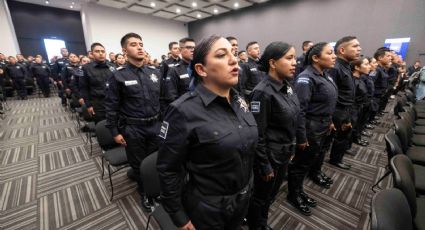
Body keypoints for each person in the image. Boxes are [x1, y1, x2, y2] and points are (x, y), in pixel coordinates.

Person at [157, 35, 257, 230]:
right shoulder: (183, 111)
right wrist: (179, 216)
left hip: (242, 198)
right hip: (208, 207)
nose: (233, 59)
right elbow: (168, 169)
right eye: (221, 55)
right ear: (201, 69)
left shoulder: (239, 101)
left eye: (233, 53)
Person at [105, 33, 160, 211]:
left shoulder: (154, 72)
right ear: (124, 50)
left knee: (155, 161)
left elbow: (163, 100)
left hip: (155, 125)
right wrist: (114, 131)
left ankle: (157, 189)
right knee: (138, 164)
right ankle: (145, 193)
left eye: (141, 44)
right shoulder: (118, 76)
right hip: (133, 128)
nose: (139, 47)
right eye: (134, 44)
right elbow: (111, 105)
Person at [247, 42, 299, 230]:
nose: (294, 63)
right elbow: (257, 133)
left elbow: (293, 119)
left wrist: (292, 147)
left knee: (270, 195)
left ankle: (262, 222)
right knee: (260, 197)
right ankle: (256, 225)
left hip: (283, 152)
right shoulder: (262, 92)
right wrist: (264, 165)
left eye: (294, 58)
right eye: (289, 58)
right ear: (273, 63)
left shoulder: (287, 86)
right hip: (269, 156)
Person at [288, 42, 337, 215]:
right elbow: (300, 110)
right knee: (300, 164)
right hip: (311, 127)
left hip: (322, 125)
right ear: (316, 58)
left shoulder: (325, 75)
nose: (334, 56)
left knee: (309, 161)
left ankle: (299, 190)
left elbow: (328, 102)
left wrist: (330, 120)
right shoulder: (306, 78)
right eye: (330, 53)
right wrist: (301, 137)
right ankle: (293, 194)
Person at [328, 36, 362, 169]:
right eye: (355, 46)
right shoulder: (335, 67)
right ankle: (332, 161)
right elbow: (331, 94)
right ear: (342, 50)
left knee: (342, 136)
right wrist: (331, 118)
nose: (359, 49)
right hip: (336, 110)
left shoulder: (346, 66)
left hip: (345, 109)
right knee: (326, 143)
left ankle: (336, 159)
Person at [80, 42, 116, 124]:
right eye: (97, 51)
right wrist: (88, 105)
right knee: (102, 125)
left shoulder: (112, 67)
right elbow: (83, 88)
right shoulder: (85, 68)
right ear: (92, 54)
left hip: (113, 102)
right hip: (98, 103)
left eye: (103, 51)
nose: (101, 53)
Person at [164, 38, 196, 105]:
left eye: (194, 47)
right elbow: (172, 96)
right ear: (180, 50)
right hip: (186, 108)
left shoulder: (200, 67)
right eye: (189, 47)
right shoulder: (174, 70)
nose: (193, 50)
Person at [350, 57, 371, 147]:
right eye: (366, 64)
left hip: (359, 108)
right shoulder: (353, 81)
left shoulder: (360, 79)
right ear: (357, 67)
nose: (369, 66)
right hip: (353, 110)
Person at [371, 47, 392, 116]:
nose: (390, 58)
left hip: (379, 97)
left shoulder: (383, 69)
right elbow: (371, 83)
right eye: (388, 56)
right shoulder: (376, 69)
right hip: (374, 97)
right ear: (380, 58)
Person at [364, 57, 378, 127]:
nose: (376, 64)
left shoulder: (369, 75)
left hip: (369, 101)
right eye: (374, 63)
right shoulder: (363, 77)